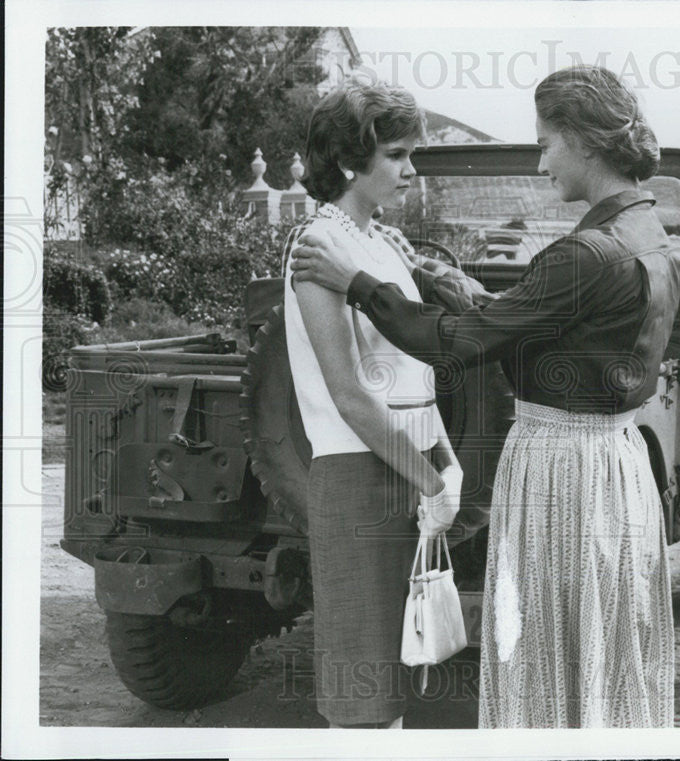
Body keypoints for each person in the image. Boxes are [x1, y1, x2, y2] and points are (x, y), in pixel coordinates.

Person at [290, 65, 680, 728]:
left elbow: (461, 345)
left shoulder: (584, 252)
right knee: (595, 649)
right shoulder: (649, 235)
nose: (540, 161)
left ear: (584, 142)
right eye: (398, 154)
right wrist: (449, 285)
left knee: (548, 651)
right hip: (612, 462)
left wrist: (361, 282)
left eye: (546, 143)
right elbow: (532, 322)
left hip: (560, 468)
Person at [282, 78, 463, 729]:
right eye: (397, 155)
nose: (411, 170)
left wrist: (443, 459)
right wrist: (431, 478)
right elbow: (351, 394)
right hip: (358, 477)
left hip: (407, 471)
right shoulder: (316, 246)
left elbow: (415, 369)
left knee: (395, 687)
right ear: (352, 159)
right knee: (362, 701)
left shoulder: (381, 244)